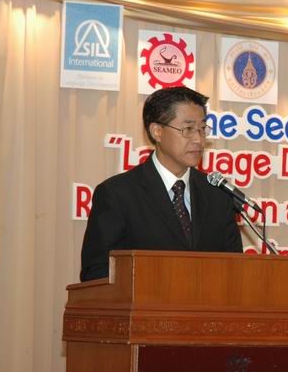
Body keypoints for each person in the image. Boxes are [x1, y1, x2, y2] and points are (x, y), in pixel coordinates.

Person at [80, 87, 242, 281]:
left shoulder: (218, 195)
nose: (199, 140)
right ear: (157, 131)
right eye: (188, 129)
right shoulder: (118, 194)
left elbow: (235, 270)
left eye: (202, 129)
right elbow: (97, 273)